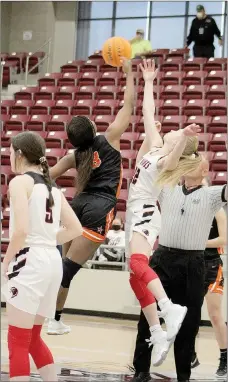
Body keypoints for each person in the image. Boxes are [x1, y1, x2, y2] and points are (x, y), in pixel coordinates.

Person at [47, 57, 134, 335]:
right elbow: (129, 106)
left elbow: (49, 175)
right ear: (93, 129)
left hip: (77, 206)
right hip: (100, 207)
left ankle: (54, 319)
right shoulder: (109, 138)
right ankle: (47, 315)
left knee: (63, 269)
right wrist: (130, 73)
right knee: (67, 270)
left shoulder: (75, 156)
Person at [126, 59, 203, 369]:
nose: (168, 131)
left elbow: (173, 160)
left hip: (145, 211)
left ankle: (169, 308)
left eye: (174, 136)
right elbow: (148, 112)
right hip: (134, 212)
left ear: (177, 145)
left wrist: (184, 136)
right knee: (135, 279)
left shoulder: (164, 159)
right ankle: (157, 331)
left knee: (137, 263)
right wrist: (147, 81)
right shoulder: (155, 146)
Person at [130, 157, 227, 382]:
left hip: (193, 263)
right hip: (162, 257)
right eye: (189, 160)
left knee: (189, 322)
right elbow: (152, 164)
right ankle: (140, 370)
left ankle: (184, 375)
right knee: (148, 315)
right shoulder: (167, 188)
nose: (201, 164)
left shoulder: (212, 195)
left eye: (199, 161)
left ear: (205, 169)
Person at [1, 131, 82, 381]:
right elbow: (75, 229)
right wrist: (46, 240)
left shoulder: (19, 182)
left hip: (30, 261)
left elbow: (21, 231)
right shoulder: (52, 188)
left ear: (20, 154)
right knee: (33, 338)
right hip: (51, 262)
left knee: (17, 340)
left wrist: (5, 262)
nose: (9, 156)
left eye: (10, 152)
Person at [191, 181, 227, 379]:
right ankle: (191, 354)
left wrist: (201, 242)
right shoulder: (191, 210)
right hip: (193, 262)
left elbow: (224, 239)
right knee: (190, 312)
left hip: (212, 264)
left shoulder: (218, 211)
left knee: (214, 315)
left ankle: (225, 357)